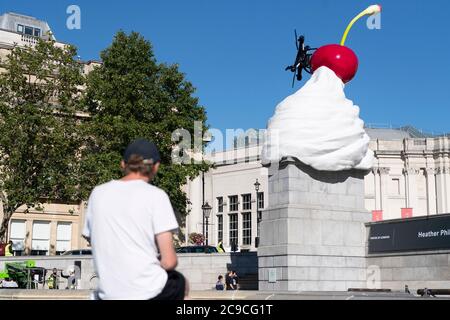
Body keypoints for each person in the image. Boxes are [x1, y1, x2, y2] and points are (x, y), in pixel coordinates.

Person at [82, 139, 187, 300]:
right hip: (147, 292)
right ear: (156, 166)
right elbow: (170, 261)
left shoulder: (97, 193)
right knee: (181, 282)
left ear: (123, 164)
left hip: (108, 294)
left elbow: (92, 238)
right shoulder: (156, 196)